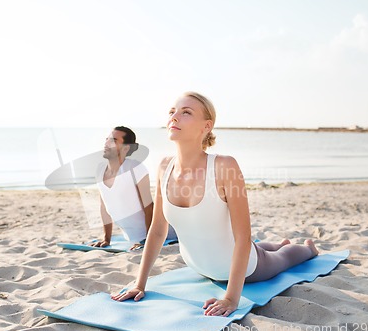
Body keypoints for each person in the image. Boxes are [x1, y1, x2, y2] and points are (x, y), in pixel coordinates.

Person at [111, 92, 319, 316]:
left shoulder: (224, 166)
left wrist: (230, 298)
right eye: (172, 112)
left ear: (206, 126)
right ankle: (277, 244)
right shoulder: (164, 166)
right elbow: (158, 229)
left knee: (284, 257)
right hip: (199, 267)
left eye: (186, 112)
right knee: (264, 249)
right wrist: (139, 284)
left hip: (247, 271)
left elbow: (243, 237)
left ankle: (307, 247)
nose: (174, 117)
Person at [91, 126, 176, 250]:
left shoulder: (135, 168)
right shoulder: (100, 170)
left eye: (113, 141)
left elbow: (149, 207)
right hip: (131, 238)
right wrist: (106, 239)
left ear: (126, 148)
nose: (106, 144)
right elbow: (104, 208)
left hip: (164, 232)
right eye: (107, 139)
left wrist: (148, 239)